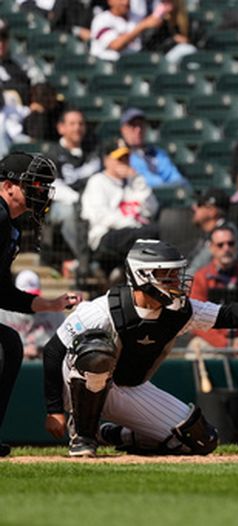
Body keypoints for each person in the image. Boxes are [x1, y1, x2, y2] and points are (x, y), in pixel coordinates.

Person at [41, 239, 238, 457]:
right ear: (142, 276)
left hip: (127, 386)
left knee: (200, 439)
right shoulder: (102, 310)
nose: (177, 282)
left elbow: (225, 315)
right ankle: (83, 435)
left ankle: (114, 434)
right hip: (76, 383)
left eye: (176, 274)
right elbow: (53, 351)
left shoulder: (180, 312)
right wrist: (55, 410)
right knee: (96, 353)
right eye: (167, 275)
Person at [1, 152, 81, 457]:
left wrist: (50, 304)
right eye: (32, 185)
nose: (41, 192)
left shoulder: (10, 227)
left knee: (8, 343)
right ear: (8, 186)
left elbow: (3, 293)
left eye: (44, 186)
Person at [81, 138, 159, 277]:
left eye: (126, 158)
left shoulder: (134, 181)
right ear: (106, 161)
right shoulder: (97, 182)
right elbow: (101, 217)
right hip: (105, 235)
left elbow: (152, 208)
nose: (124, 162)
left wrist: (137, 180)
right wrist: (131, 222)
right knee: (148, 234)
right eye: (119, 158)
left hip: (133, 232)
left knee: (154, 232)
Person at [187, 226, 238, 353]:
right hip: (213, 342)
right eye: (220, 245)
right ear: (211, 248)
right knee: (195, 349)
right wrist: (226, 344)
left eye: (231, 243)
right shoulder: (201, 278)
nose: (226, 248)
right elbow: (196, 319)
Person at [46, 108, 101, 259]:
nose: (77, 128)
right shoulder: (53, 153)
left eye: (81, 124)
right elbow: (50, 185)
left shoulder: (93, 151)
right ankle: (86, 261)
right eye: (72, 124)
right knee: (69, 212)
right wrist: (77, 198)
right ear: (61, 128)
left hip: (90, 200)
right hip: (61, 204)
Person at [0, 270, 66, 361]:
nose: (28, 301)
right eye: (24, 296)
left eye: (32, 297)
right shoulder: (3, 313)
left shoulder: (55, 314)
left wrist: (40, 350)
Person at [119, 108, 188, 189]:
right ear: (123, 129)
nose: (138, 130)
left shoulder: (157, 154)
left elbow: (176, 179)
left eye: (141, 125)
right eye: (133, 126)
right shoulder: (118, 156)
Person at [185, 188, 238, 277]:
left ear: (212, 211)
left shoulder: (226, 234)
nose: (193, 207)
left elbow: (195, 272)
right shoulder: (212, 232)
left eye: (199, 204)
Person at [89, 0, 169, 62]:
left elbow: (153, 19)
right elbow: (116, 46)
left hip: (132, 64)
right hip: (107, 65)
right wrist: (141, 26)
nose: (125, 2)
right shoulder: (102, 19)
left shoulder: (134, 17)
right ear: (110, 1)